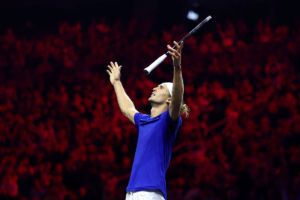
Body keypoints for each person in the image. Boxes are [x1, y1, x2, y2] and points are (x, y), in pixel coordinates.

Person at [106, 41, 189, 200]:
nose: (154, 88)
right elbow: (128, 109)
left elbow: (178, 95)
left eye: (161, 87)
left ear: (169, 100)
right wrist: (116, 82)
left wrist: (177, 67)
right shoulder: (144, 121)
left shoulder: (169, 121)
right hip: (131, 192)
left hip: (150, 192)